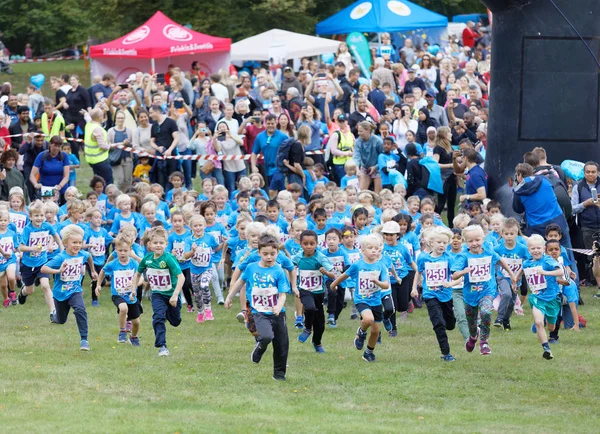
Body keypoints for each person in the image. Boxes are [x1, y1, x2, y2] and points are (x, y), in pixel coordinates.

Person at [225, 233, 291, 381]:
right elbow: (240, 283)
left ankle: (279, 375)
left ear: (277, 253)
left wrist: (279, 306)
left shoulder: (279, 271)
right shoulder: (251, 268)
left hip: (277, 312)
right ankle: (260, 346)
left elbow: (283, 294)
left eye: (272, 254)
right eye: (265, 254)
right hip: (259, 311)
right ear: (259, 252)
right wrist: (229, 297)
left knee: (282, 344)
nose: (269, 257)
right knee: (267, 336)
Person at [451, 225, 517, 356]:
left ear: (483, 239)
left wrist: (512, 275)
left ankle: (484, 342)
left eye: (477, 240)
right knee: (472, 322)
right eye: (470, 241)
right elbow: (454, 275)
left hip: (487, 291)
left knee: (486, 312)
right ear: (466, 242)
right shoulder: (463, 256)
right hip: (470, 294)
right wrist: (463, 272)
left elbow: (500, 260)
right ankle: (473, 336)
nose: (474, 243)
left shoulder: (489, 251)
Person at [330, 233, 389, 362]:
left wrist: (377, 282)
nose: (373, 250)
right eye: (370, 248)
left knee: (375, 331)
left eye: (376, 248)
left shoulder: (381, 266)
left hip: (376, 300)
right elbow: (344, 275)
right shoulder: (358, 265)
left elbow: (385, 285)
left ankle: (368, 352)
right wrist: (334, 284)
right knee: (368, 319)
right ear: (362, 249)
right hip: (361, 299)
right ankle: (361, 332)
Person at [131, 226, 184, 357]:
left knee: (175, 321)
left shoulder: (169, 259)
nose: (158, 245)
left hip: (171, 294)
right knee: (158, 317)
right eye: (155, 243)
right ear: (149, 244)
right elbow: (137, 274)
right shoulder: (147, 259)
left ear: (166, 244)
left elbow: (181, 277)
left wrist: (175, 295)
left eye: (161, 243)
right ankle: (162, 346)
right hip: (158, 294)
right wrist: (133, 290)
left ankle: (168, 314)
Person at [41, 225, 96, 351]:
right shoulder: (61, 257)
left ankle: (84, 340)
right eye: (74, 242)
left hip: (75, 290)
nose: (77, 245)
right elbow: (43, 268)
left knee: (80, 309)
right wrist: (58, 270)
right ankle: (54, 315)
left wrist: (92, 271)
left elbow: (88, 257)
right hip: (60, 293)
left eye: (79, 242)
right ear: (65, 243)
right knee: (61, 320)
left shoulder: (82, 254)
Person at [412, 226, 457, 362]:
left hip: (446, 295)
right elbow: (418, 272)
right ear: (431, 243)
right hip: (430, 294)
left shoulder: (449, 258)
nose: (442, 245)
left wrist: (451, 284)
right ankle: (446, 352)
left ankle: (449, 318)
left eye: (444, 242)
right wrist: (414, 288)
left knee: (450, 324)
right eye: (439, 242)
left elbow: (457, 276)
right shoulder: (423, 258)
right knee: (438, 323)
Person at [17, 200, 64, 320]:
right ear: (30, 217)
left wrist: (61, 248)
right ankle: (23, 293)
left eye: (42, 215)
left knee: (45, 285)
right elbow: (20, 247)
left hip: (42, 262)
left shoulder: (47, 226)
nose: (39, 218)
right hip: (28, 264)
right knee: (30, 290)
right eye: (36, 216)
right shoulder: (28, 229)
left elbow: (56, 235)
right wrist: (31, 248)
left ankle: (53, 312)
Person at [292, 230, 335, 353]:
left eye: (312, 243)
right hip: (304, 290)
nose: (309, 246)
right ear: (301, 244)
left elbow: (332, 275)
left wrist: (326, 272)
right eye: (306, 244)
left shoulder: (321, 257)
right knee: (309, 308)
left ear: (317, 244)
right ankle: (307, 328)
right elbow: (289, 267)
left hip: (319, 293)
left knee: (320, 324)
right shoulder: (298, 257)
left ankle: (317, 342)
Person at [512, 163, 573, 250]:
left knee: (542, 256)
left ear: (519, 175)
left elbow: (517, 209)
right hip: (558, 221)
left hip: (537, 227)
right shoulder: (544, 179)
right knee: (567, 252)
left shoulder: (518, 191)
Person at [523, 235, 563, 360]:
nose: (536, 251)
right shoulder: (527, 263)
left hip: (552, 298)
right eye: (533, 248)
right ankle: (546, 349)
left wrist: (546, 273)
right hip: (537, 297)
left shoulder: (548, 260)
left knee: (551, 327)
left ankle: (544, 321)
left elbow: (560, 272)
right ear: (529, 250)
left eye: (538, 248)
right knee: (539, 322)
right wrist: (515, 280)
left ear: (544, 248)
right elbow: (522, 271)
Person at [570, 160, 600, 290]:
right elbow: (572, 209)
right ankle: (591, 280)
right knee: (590, 254)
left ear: (598, 172)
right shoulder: (579, 187)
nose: (591, 174)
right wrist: (585, 204)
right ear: (584, 173)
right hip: (587, 225)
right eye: (588, 172)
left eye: (593, 172)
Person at [252, 114, 288, 197]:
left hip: (279, 168)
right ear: (265, 124)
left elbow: (290, 151)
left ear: (276, 123)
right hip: (267, 168)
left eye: (272, 123)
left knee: (272, 190)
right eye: (268, 123)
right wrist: (253, 166)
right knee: (275, 191)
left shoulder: (283, 136)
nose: (270, 126)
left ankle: (272, 205)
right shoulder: (260, 137)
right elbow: (254, 152)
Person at [29, 136, 70, 203]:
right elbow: (32, 175)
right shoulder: (42, 156)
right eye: (55, 146)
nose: (57, 148)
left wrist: (59, 186)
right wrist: (36, 185)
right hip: (46, 191)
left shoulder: (64, 156)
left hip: (61, 190)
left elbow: (66, 176)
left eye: (59, 146)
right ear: (50, 144)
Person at [149, 104, 179, 190]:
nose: (150, 115)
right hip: (159, 156)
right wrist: (157, 148)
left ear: (157, 111)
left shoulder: (171, 122)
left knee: (172, 178)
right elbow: (152, 142)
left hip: (171, 155)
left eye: (151, 113)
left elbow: (176, 138)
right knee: (160, 179)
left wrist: (170, 150)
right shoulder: (154, 126)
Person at [83, 108, 113, 186]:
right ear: (99, 117)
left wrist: (86, 113)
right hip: (100, 160)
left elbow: (88, 118)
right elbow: (102, 145)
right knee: (107, 182)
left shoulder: (89, 124)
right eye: (102, 115)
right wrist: (110, 146)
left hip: (91, 160)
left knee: (98, 182)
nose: (103, 116)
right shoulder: (97, 129)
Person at [354, 121, 384, 193]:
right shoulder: (358, 142)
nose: (358, 133)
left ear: (368, 130)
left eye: (361, 131)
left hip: (377, 168)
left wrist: (375, 167)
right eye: (358, 131)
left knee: (377, 194)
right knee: (362, 192)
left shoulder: (378, 141)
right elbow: (356, 156)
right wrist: (357, 169)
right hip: (365, 168)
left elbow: (382, 156)